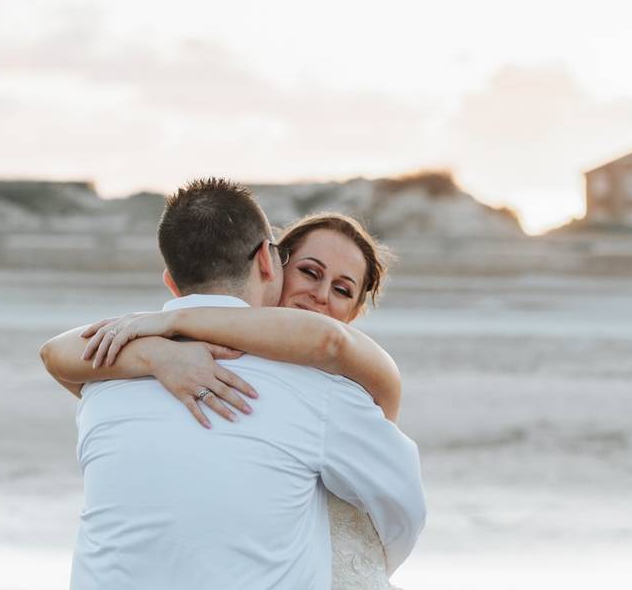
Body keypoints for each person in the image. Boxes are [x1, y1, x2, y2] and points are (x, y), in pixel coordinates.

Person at [40, 179, 426, 590]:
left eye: (342, 290)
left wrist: (162, 338)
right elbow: (404, 513)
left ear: (171, 282)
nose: (318, 296)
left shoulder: (105, 378)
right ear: (271, 263)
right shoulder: (319, 393)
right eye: (309, 272)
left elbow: (56, 355)